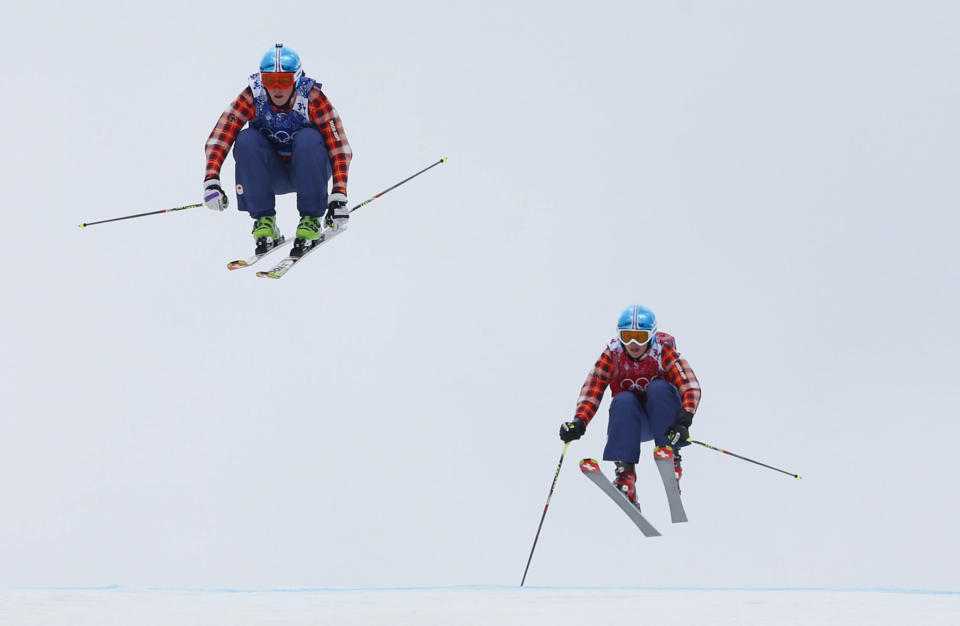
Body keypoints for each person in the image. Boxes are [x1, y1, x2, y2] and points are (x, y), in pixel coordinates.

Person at [202, 43, 353, 255]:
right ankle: (265, 221)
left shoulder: (312, 98)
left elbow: (339, 148)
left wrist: (339, 195)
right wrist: (212, 181)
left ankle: (310, 219)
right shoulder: (253, 96)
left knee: (308, 138)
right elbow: (221, 135)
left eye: (284, 81)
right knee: (246, 139)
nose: (276, 88)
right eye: (270, 81)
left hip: (309, 173)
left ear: (297, 79)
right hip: (270, 175)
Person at [559, 305, 701, 503]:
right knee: (623, 399)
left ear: (651, 336)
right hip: (633, 425)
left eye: (641, 337)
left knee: (659, 388)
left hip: (666, 423)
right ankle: (626, 476)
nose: (633, 344)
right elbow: (593, 387)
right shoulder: (613, 355)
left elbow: (690, 385)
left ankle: (671, 458)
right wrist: (579, 421)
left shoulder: (662, 351)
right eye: (627, 336)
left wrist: (685, 418)